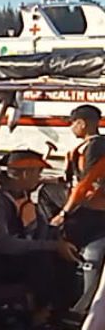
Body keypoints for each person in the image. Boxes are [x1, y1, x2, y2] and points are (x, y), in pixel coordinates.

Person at [0, 150, 81, 330]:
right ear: (24, 174)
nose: (40, 177)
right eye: (37, 172)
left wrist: (60, 243)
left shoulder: (22, 196)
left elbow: (39, 230)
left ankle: (56, 312)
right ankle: (39, 317)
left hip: (13, 257)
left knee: (64, 259)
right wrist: (51, 247)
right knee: (41, 260)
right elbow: (3, 244)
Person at [52, 104, 105, 247]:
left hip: (93, 206)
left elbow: (87, 182)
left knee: (46, 193)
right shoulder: (91, 145)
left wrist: (64, 213)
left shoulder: (95, 147)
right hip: (89, 199)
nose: (71, 128)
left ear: (81, 123)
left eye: (72, 123)